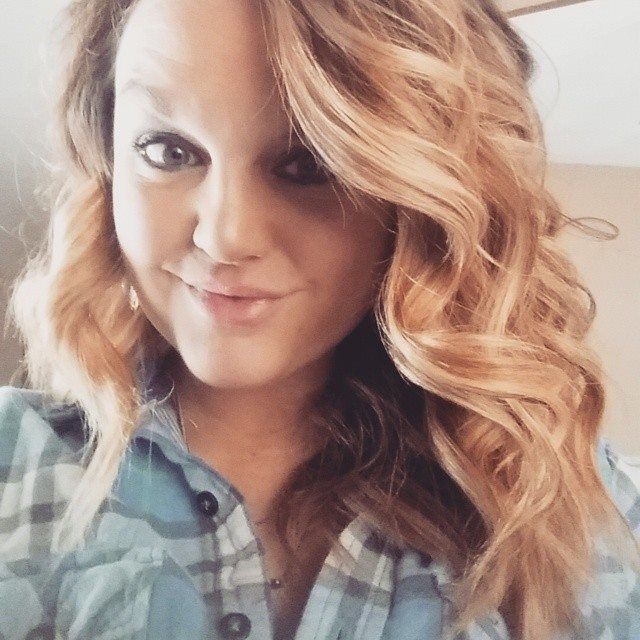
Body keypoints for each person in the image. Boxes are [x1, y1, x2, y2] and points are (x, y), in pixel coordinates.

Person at [1, 0, 638, 639]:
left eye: (309, 165)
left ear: (419, 203)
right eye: (168, 151)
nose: (224, 236)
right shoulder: (15, 464)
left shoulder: (594, 519)